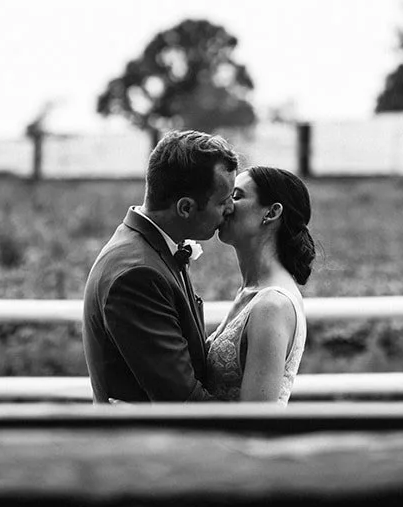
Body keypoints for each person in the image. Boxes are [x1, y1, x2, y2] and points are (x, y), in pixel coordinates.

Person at [82, 129, 238, 402]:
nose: (230, 209)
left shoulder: (150, 248)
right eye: (223, 201)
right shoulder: (137, 274)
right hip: (143, 442)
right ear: (186, 208)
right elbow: (180, 399)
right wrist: (251, 427)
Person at [204, 165, 315, 403]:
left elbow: (255, 421)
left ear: (272, 212)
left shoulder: (273, 306)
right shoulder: (251, 291)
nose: (226, 205)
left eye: (236, 196)